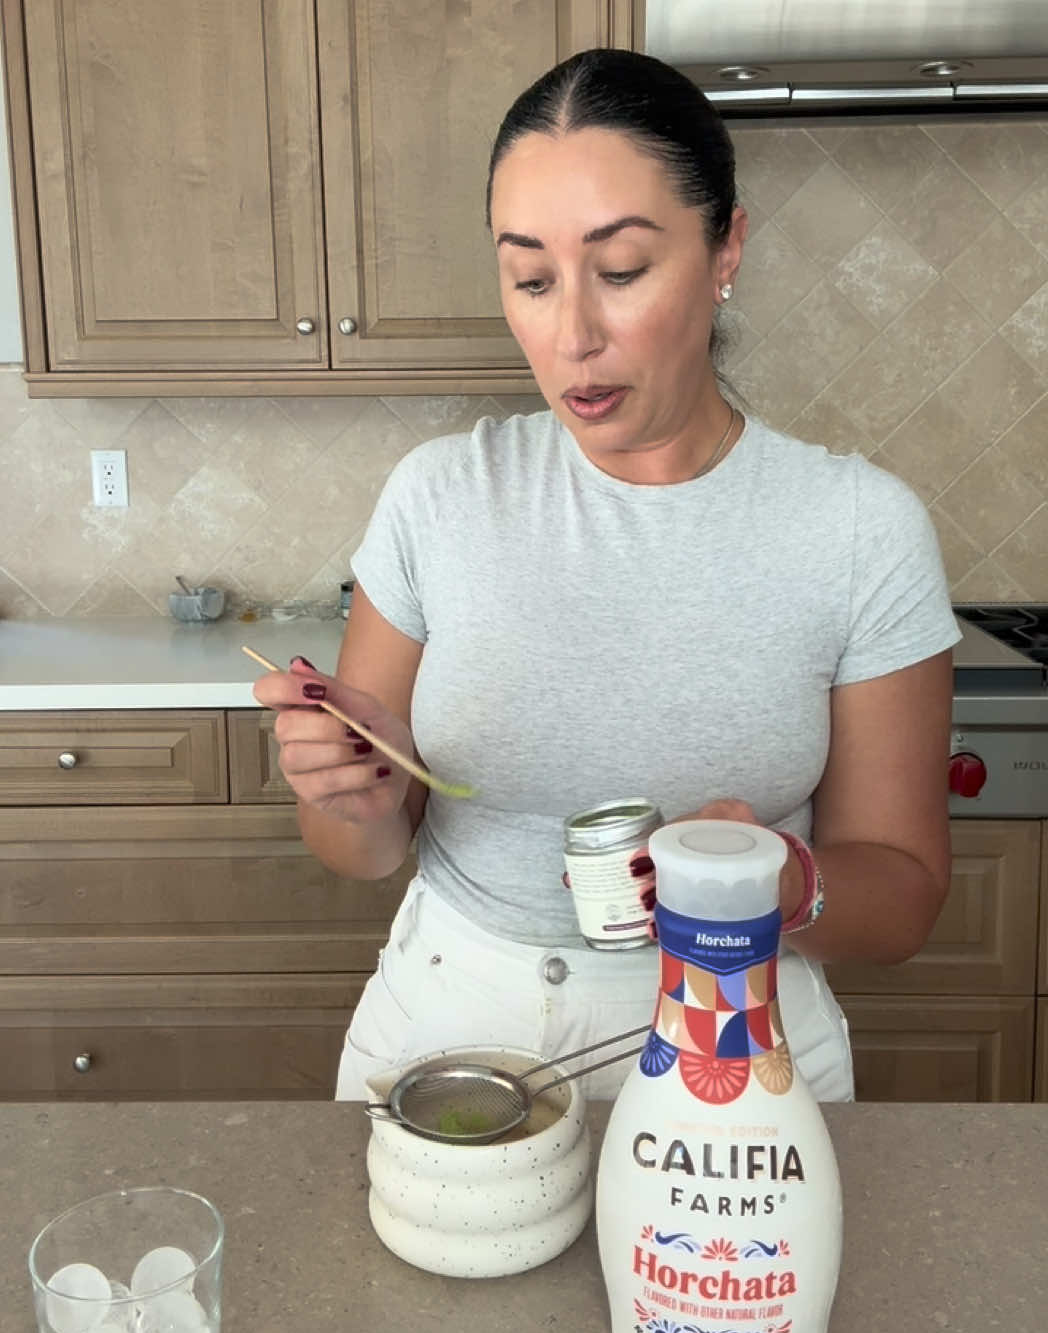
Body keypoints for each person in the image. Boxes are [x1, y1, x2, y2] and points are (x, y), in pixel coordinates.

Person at [253, 48, 960, 1105]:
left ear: (726, 248)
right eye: (531, 280)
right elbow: (361, 850)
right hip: (454, 1020)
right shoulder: (440, 497)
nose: (573, 335)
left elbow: (901, 901)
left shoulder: (859, 528)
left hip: (734, 1027)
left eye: (621, 271)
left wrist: (775, 881)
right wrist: (361, 794)